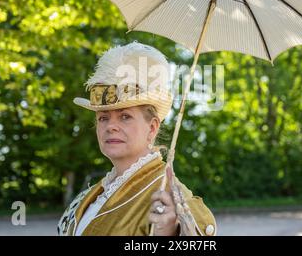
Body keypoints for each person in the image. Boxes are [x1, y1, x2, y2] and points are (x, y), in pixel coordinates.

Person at [57, 41, 216, 236]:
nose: (110, 126)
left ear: (152, 127)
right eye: (103, 117)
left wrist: (170, 234)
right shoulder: (92, 194)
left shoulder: (171, 198)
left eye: (125, 116)